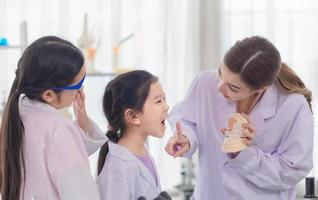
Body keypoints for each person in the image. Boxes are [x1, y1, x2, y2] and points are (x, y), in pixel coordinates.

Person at [165, 36, 313, 199]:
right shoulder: (205, 84)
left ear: (259, 89)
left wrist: (243, 154)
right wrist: (186, 137)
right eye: (221, 73)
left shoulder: (292, 106)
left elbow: (292, 171)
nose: (220, 87)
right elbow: (186, 120)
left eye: (233, 87)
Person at [0, 36, 107, 200]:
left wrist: (82, 122)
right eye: (78, 86)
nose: (81, 91)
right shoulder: (58, 130)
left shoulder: (20, 116)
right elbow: (81, 193)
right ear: (48, 94)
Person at [96, 70, 170, 200]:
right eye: (159, 101)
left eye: (164, 99)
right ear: (133, 116)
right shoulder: (116, 169)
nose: (166, 106)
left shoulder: (143, 155)